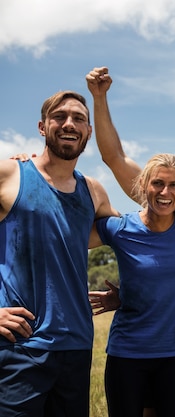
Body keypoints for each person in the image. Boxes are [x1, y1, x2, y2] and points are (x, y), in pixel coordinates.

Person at [0, 90, 118, 416]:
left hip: (77, 348)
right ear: (42, 127)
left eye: (79, 118)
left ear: (88, 132)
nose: (70, 123)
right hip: (20, 346)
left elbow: (141, 236)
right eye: (60, 116)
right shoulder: (10, 175)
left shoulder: (93, 192)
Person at [89, 153, 175, 417]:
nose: (165, 191)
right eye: (157, 183)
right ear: (143, 185)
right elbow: (62, 234)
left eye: (174, 185)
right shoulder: (120, 228)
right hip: (127, 354)